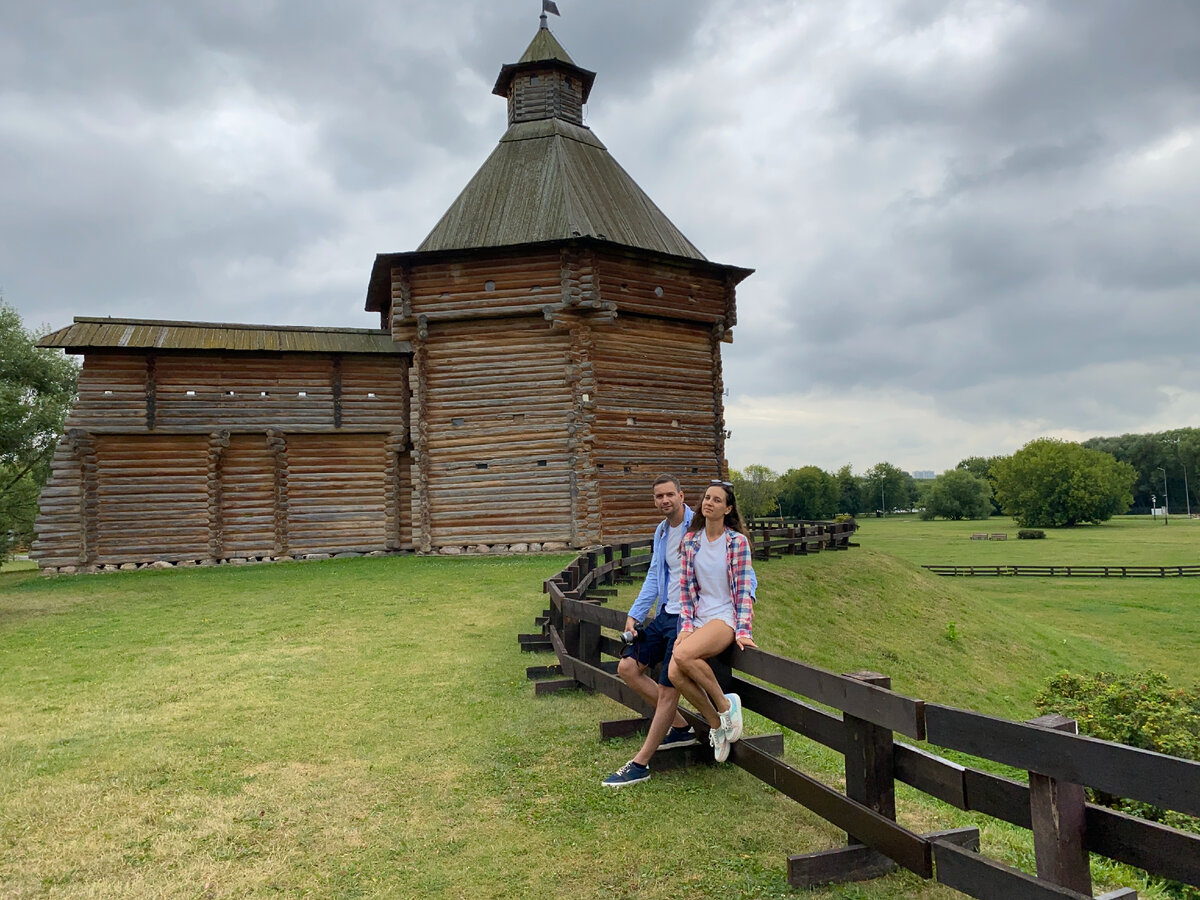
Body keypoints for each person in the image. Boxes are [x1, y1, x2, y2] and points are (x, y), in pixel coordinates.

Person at [600, 474, 698, 788]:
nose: (664, 501)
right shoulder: (660, 531)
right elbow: (655, 575)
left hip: (688, 620)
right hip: (665, 615)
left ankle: (640, 763)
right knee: (627, 667)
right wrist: (635, 614)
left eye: (670, 494)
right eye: (659, 496)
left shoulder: (699, 528)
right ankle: (681, 728)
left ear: (682, 496)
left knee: (669, 687)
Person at [668, 479, 757, 763]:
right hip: (698, 618)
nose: (709, 502)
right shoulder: (691, 541)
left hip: (724, 617)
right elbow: (685, 592)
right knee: (674, 673)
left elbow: (743, 590)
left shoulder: (737, 542)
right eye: (707, 498)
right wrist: (685, 628)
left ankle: (724, 703)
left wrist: (743, 630)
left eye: (717, 500)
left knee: (681, 655)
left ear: (728, 508)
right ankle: (717, 724)